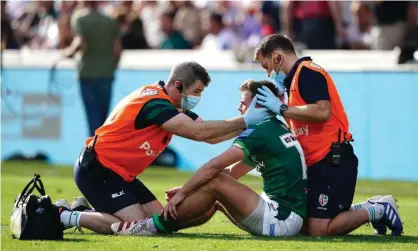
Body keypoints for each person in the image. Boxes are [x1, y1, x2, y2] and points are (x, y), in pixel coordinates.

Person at [57, 62, 271, 234]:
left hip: (121, 174)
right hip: (98, 169)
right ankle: (65, 216)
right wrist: (245, 120)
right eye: (196, 91)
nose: (197, 98)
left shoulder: (172, 105)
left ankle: (83, 210)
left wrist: (249, 123)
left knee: (160, 221)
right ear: (178, 85)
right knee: (137, 226)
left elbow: (210, 136)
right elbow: (200, 132)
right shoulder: (155, 104)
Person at [110, 80, 307, 237]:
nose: (239, 107)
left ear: (258, 104)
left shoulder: (260, 131)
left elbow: (217, 167)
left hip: (281, 220)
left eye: (243, 102)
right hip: (288, 217)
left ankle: (150, 226)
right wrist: (194, 189)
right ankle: (160, 227)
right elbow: (232, 173)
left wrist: (183, 194)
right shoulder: (275, 127)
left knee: (216, 180)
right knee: (216, 192)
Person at [252, 34, 403, 236]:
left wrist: (281, 108)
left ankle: (379, 210)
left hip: (332, 160)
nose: (269, 73)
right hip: (318, 162)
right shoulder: (294, 81)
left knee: (318, 229)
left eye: (266, 66)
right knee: (300, 224)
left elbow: (323, 112)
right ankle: (374, 205)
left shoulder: (307, 72)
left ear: (277, 57)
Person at [63, 1, 122, 137]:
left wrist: (67, 52)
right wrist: (110, 66)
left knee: (93, 119)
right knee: (103, 119)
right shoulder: (109, 20)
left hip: (87, 74)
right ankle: (102, 152)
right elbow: (117, 50)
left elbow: (79, 42)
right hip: (106, 75)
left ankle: (94, 153)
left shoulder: (80, 18)